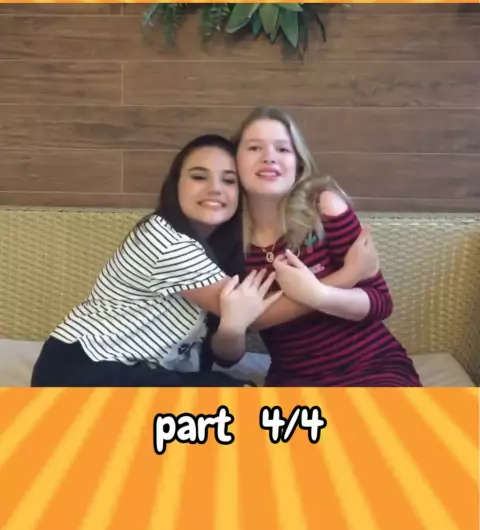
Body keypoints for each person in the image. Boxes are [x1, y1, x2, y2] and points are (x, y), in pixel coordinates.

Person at [30, 134, 281, 387]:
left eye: (229, 180)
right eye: (198, 177)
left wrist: (232, 328)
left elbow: (227, 356)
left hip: (137, 371)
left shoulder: (224, 255)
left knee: (234, 390)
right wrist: (309, 293)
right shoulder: (164, 238)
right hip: (83, 366)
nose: (215, 188)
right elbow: (260, 313)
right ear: (176, 185)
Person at [221, 106, 421, 387]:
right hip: (294, 379)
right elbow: (238, 337)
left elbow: (380, 302)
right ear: (234, 162)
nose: (269, 157)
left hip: (372, 366)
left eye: (283, 149)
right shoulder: (226, 239)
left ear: (298, 163)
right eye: (254, 148)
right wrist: (344, 277)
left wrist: (320, 295)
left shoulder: (324, 207)